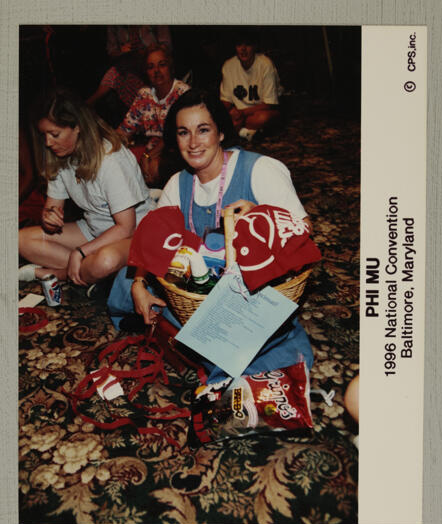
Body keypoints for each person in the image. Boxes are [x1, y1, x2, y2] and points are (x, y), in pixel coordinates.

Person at [108, 89, 313, 382]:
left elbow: (305, 229)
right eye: (183, 133)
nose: (193, 143)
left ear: (220, 133)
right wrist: (140, 283)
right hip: (195, 292)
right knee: (127, 279)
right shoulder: (177, 183)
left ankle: (193, 343)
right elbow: (153, 241)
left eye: (203, 130)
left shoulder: (260, 170)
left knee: (244, 349)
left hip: (247, 294)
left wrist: (261, 215)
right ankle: (161, 323)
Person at [19, 87, 155, 288]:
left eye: (55, 134)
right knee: (21, 239)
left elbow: (126, 227)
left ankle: (58, 273)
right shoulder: (59, 157)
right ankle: (89, 274)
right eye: (44, 135)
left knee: (104, 261)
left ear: (77, 127)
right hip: (94, 229)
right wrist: (49, 220)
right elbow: (52, 213)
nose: (48, 142)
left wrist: (81, 251)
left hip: (135, 233)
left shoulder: (111, 159)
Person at [117, 43, 190, 187]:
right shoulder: (144, 94)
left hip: (178, 150)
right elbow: (124, 130)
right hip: (151, 151)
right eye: (151, 67)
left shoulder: (183, 93)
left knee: (155, 168)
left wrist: (148, 156)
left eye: (162, 65)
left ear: (170, 67)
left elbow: (176, 135)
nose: (156, 71)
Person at [220, 29, 281, 142]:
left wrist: (242, 114)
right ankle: (247, 132)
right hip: (240, 113)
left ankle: (239, 130)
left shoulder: (266, 65)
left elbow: (269, 104)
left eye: (247, 45)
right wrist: (226, 114)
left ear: (254, 47)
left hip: (261, 110)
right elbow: (226, 101)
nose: (243, 49)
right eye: (239, 45)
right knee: (221, 118)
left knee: (263, 118)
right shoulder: (228, 66)